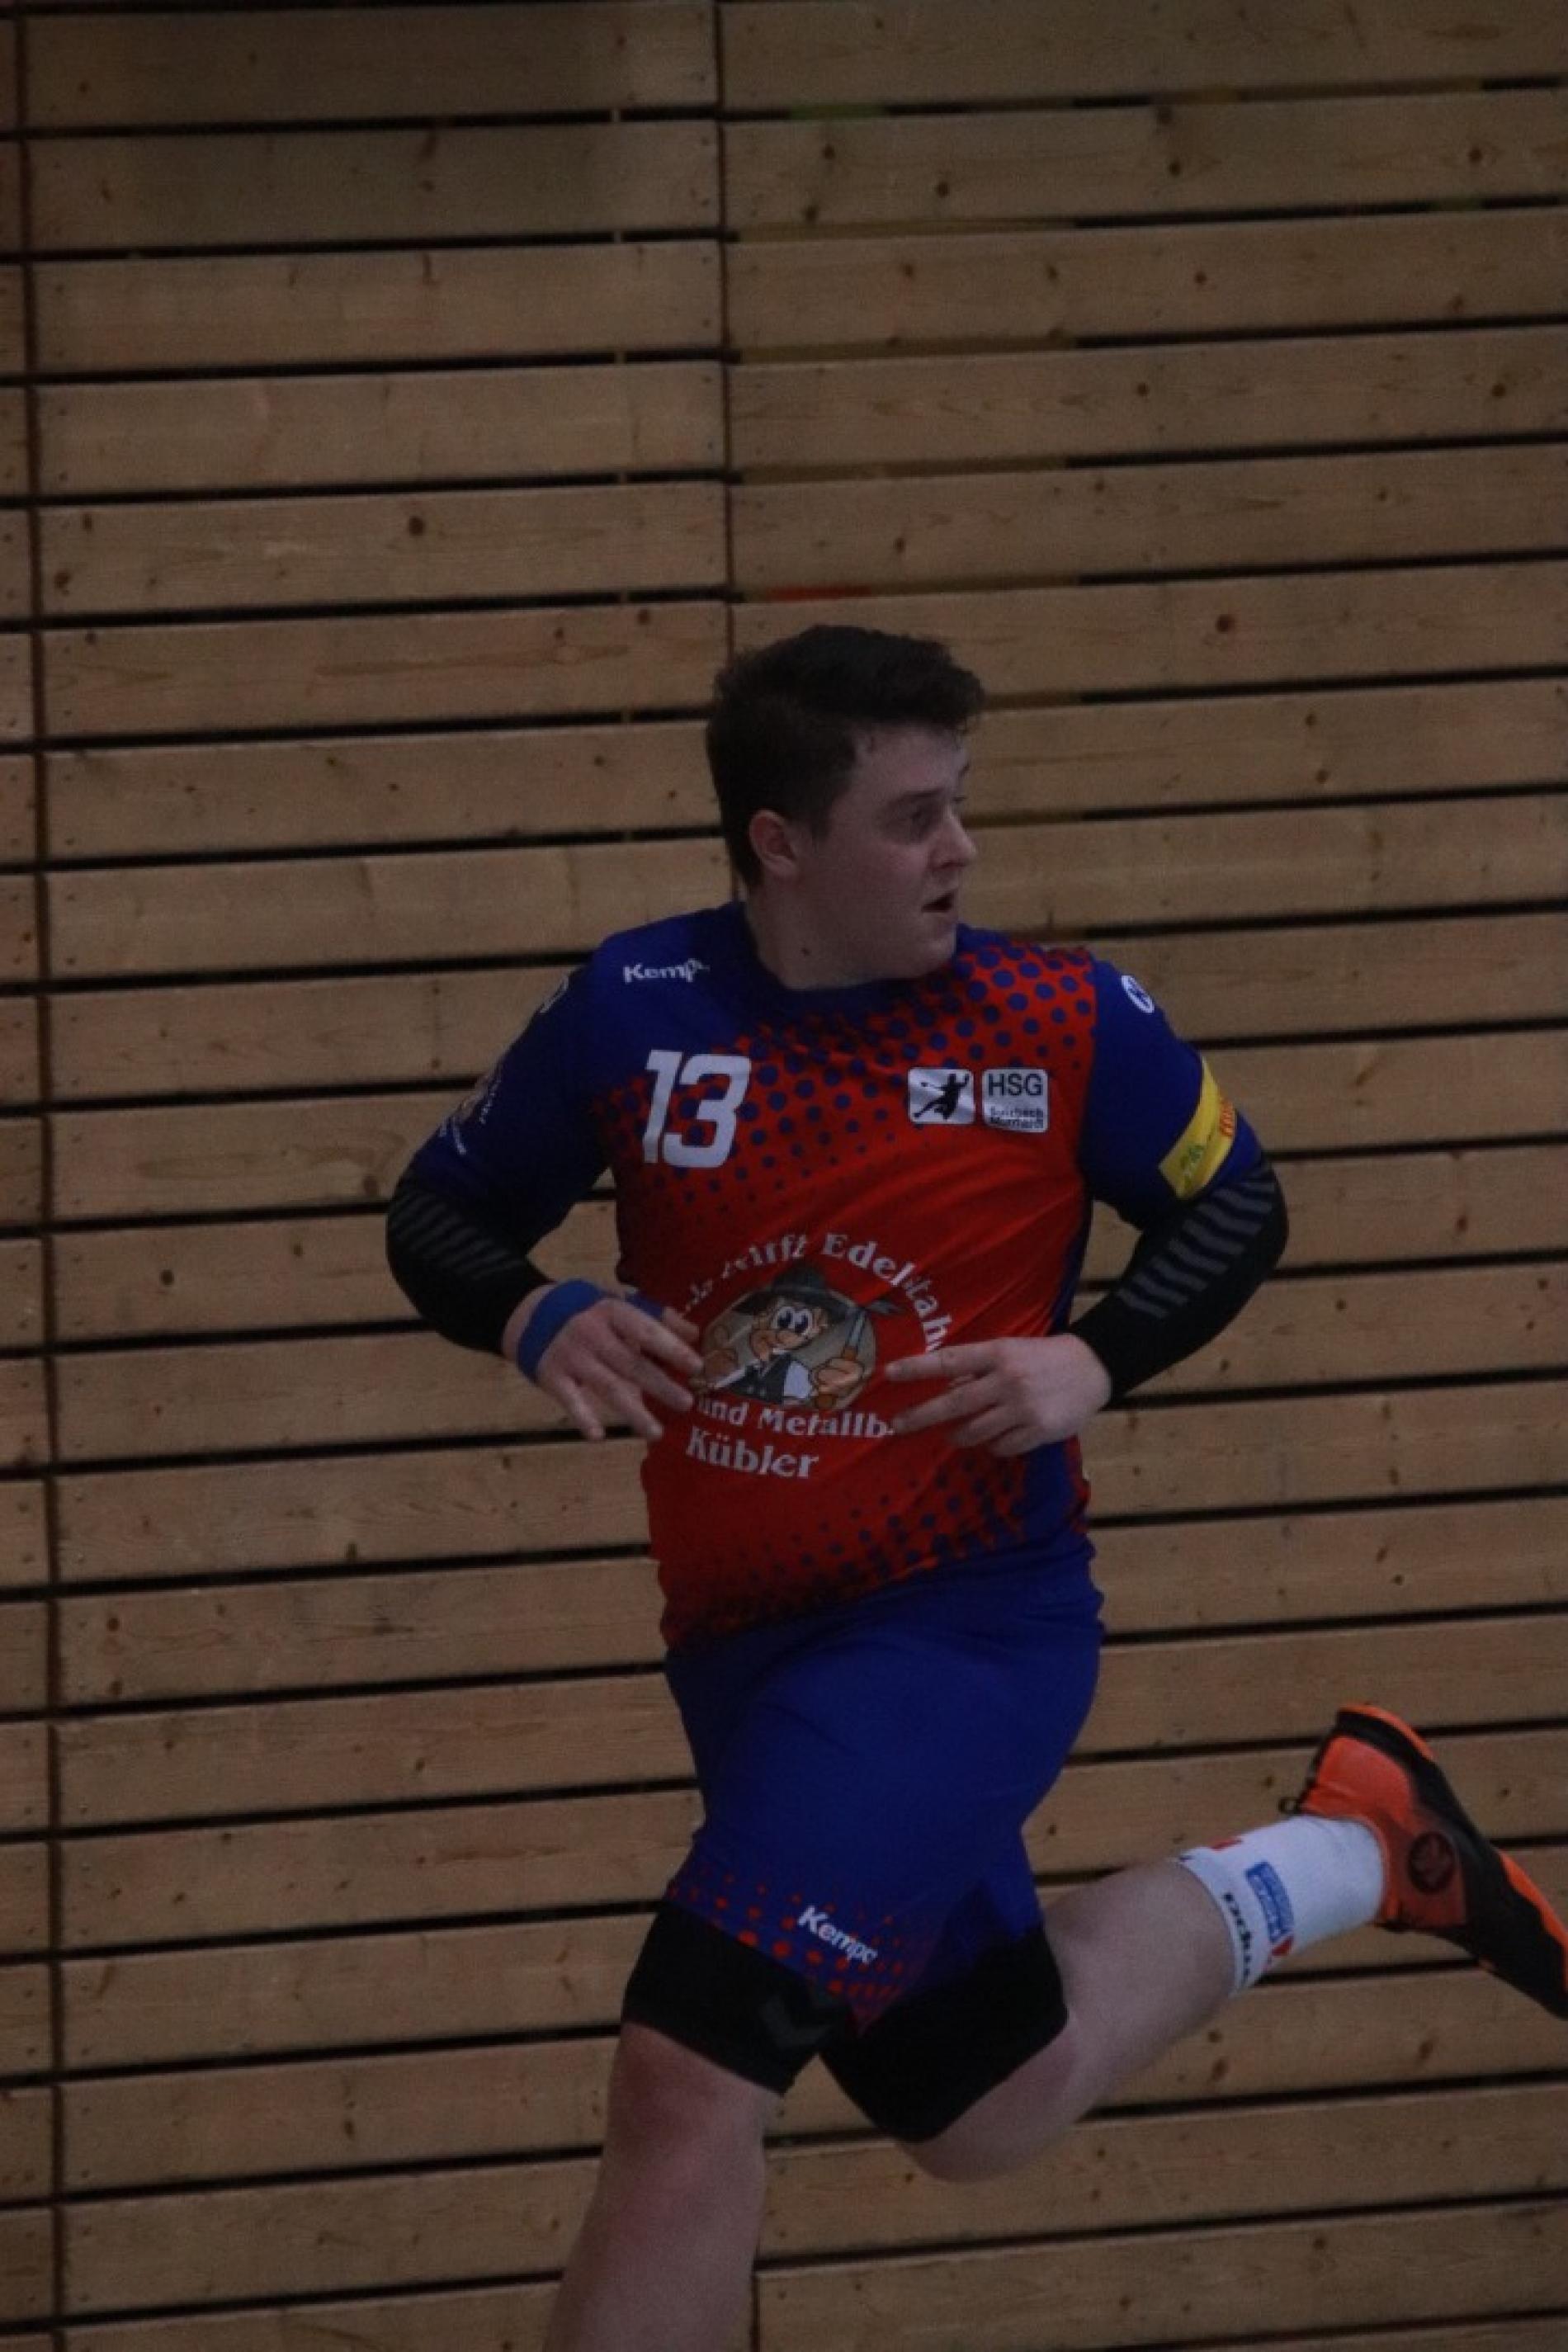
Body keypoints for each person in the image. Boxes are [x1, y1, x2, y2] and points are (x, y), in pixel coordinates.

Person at [386, 626, 1566, 2352]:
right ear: (780, 843)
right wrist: (532, 1308)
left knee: (688, 2073)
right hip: (740, 1649)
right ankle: (1355, 1849)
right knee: (984, 2097)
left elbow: (1236, 1205)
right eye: (912, 817)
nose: (961, 848)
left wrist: (1098, 1356)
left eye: (961, 804)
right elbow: (439, 1212)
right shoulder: (637, 1010)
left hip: (958, 1632)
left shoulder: (1057, 1019)